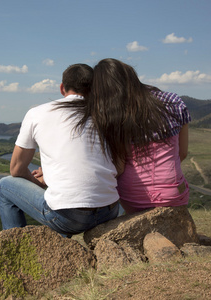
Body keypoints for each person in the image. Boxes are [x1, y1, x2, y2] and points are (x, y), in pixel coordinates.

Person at [0, 63, 120, 236]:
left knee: (4, 185)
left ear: (62, 88)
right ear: (94, 90)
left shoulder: (37, 113)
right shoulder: (107, 115)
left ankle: (14, 248)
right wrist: (50, 177)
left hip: (68, 218)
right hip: (110, 210)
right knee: (62, 199)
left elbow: (16, 169)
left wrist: (40, 182)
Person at [82, 58, 191, 214]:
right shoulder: (173, 102)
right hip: (173, 193)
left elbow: (119, 168)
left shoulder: (113, 115)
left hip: (132, 196)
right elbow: (183, 153)